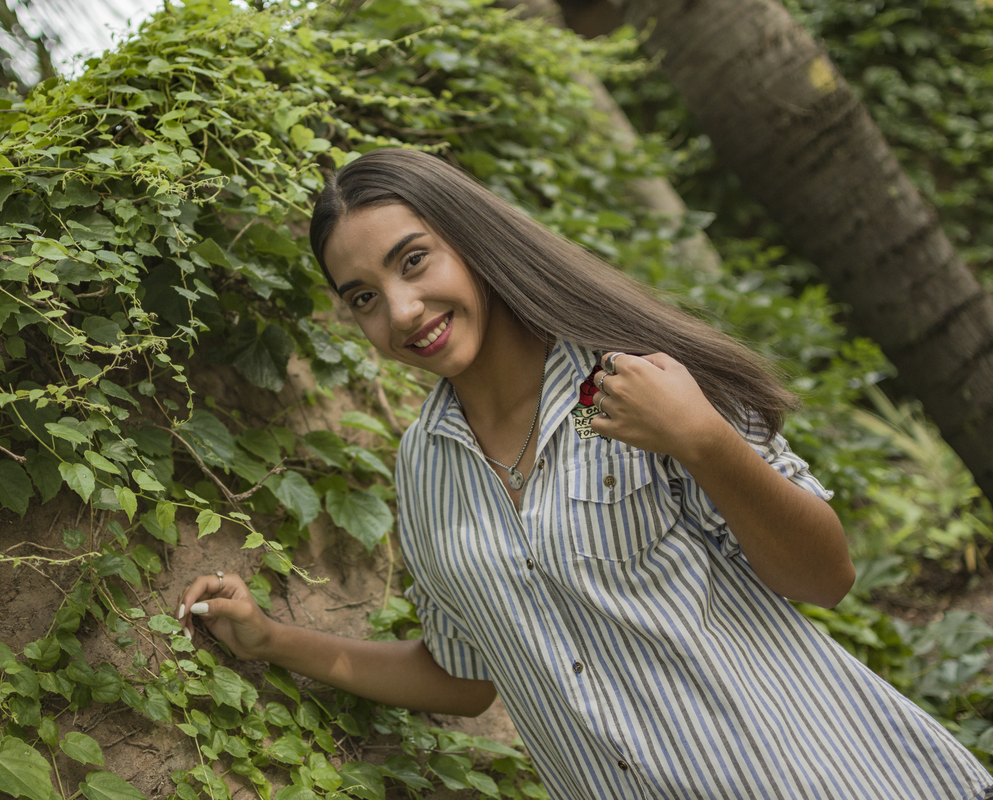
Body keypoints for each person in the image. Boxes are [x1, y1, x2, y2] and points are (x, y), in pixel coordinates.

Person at [176, 148, 993, 799]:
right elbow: (465, 676)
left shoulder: (642, 376)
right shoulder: (422, 471)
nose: (401, 311)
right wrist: (273, 640)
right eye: (362, 297)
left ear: (471, 239)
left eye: (414, 261)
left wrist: (702, 440)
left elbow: (826, 576)